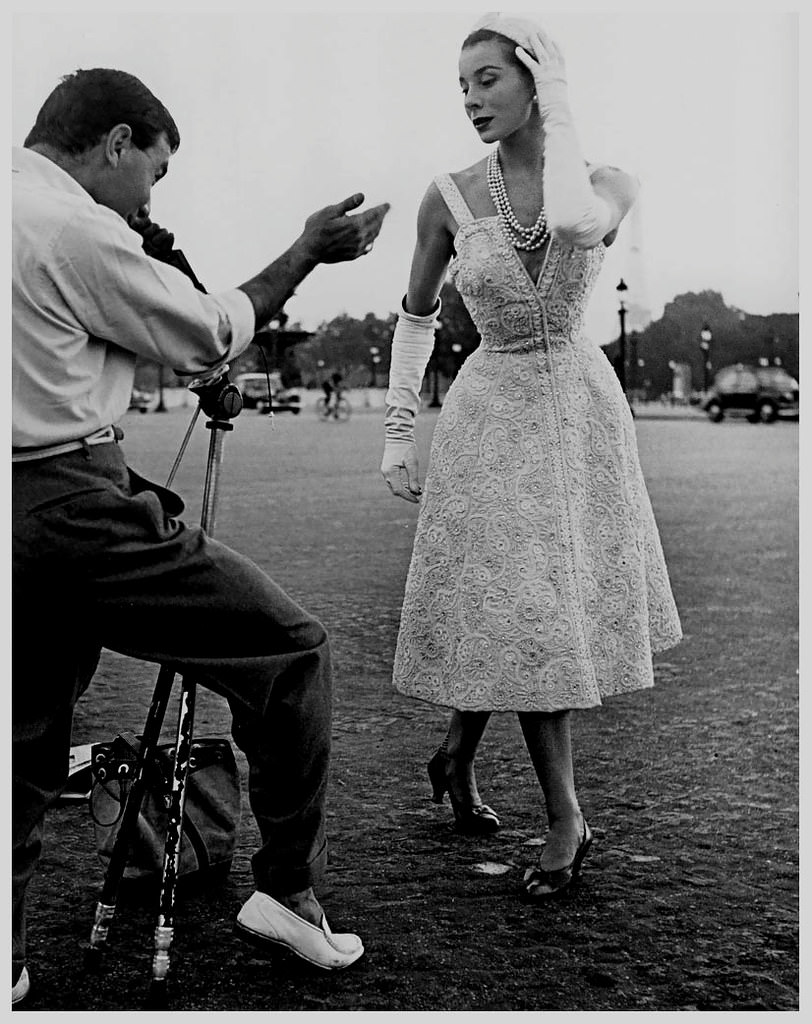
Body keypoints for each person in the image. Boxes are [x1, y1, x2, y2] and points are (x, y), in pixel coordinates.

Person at [12, 67, 389, 1004]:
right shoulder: (71, 225)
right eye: (155, 170)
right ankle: (287, 890)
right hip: (68, 506)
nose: (150, 195)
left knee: (19, 734)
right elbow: (214, 330)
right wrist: (306, 250)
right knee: (292, 652)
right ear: (116, 145)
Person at [380, 14, 681, 902]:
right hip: (490, 410)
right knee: (515, 600)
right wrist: (399, 430)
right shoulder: (446, 195)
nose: (471, 100)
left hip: (580, 411)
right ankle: (567, 819)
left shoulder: (606, 181)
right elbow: (415, 314)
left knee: (532, 603)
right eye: (462, 86)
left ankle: (454, 756)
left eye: (489, 80)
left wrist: (562, 108)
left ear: (538, 80)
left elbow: (580, 225)